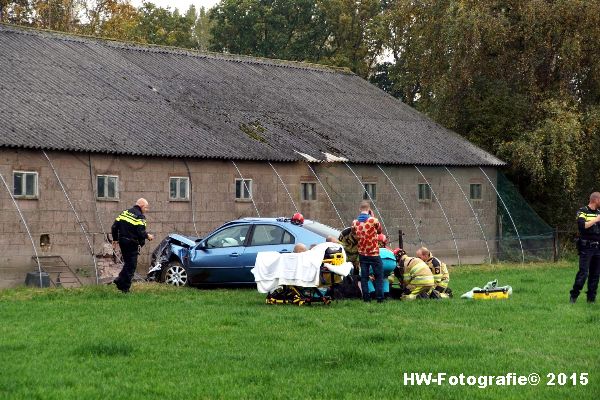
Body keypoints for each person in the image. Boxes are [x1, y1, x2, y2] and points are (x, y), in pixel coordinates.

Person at [111, 198, 154, 293]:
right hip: (132, 243)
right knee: (131, 266)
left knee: (128, 264)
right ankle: (124, 287)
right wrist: (148, 236)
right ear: (142, 206)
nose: (147, 210)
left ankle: (120, 282)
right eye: (146, 208)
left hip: (123, 242)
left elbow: (114, 226)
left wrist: (115, 239)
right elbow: (141, 232)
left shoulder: (125, 212)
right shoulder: (140, 217)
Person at [570, 192, 600, 303]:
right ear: (596, 200)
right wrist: (596, 220)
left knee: (595, 275)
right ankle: (574, 296)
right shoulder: (582, 211)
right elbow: (582, 227)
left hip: (598, 248)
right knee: (583, 273)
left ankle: (591, 300)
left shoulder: (599, 213)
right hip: (586, 248)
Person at [352, 200, 384, 302]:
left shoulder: (355, 223)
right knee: (379, 276)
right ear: (369, 209)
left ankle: (366, 299)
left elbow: (354, 233)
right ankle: (380, 298)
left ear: (359, 209)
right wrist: (372, 216)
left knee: (364, 277)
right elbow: (379, 231)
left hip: (362, 254)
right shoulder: (373, 220)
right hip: (374, 253)